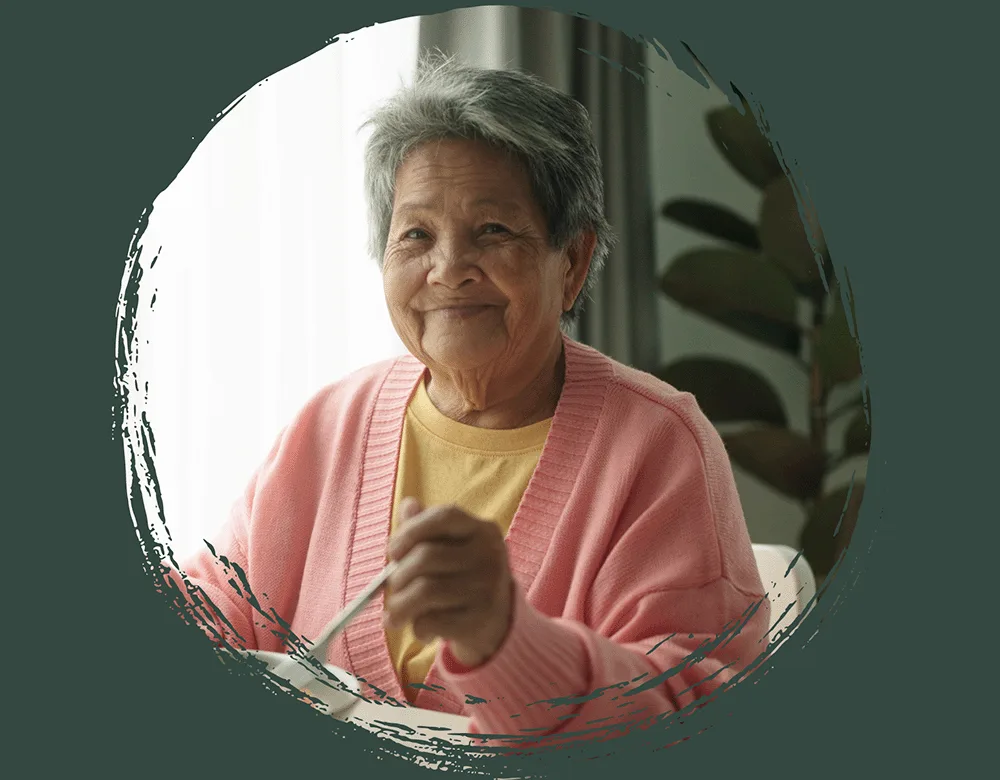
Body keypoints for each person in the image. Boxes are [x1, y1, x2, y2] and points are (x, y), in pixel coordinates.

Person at [173, 52, 771, 745]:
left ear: (571, 263)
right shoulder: (330, 422)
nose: (449, 269)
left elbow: (691, 707)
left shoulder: (659, 446)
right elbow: (219, 606)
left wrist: (506, 642)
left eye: (493, 231)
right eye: (416, 235)